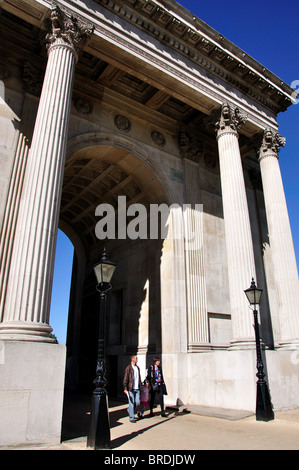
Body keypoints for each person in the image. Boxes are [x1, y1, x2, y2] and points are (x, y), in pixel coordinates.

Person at [123, 355, 142, 422]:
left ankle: (129, 410)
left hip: (137, 388)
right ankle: (131, 417)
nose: (137, 359)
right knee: (131, 402)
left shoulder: (137, 368)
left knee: (137, 402)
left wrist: (140, 385)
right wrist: (125, 388)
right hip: (131, 388)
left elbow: (139, 378)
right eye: (136, 358)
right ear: (132, 359)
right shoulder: (128, 368)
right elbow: (125, 378)